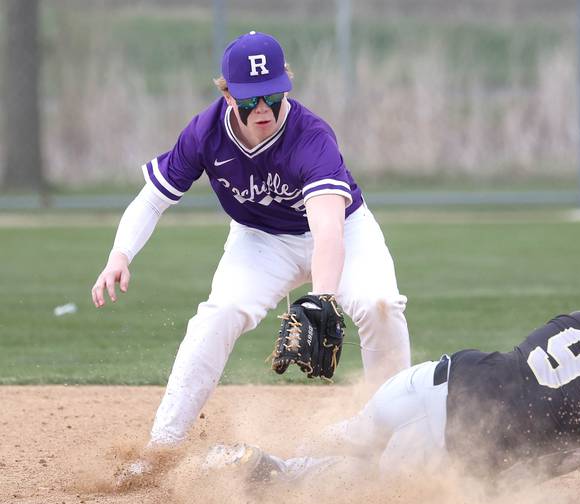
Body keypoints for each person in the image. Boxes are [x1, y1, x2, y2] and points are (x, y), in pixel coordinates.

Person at [91, 32, 411, 456]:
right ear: (227, 96)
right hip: (260, 239)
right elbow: (153, 199)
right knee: (219, 314)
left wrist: (322, 298)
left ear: (285, 89)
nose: (261, 108)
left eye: (271, 95)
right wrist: (120, 255)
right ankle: (163, 446)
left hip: (344, 231)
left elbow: (329, 229)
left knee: (379, 304)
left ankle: (392, 436)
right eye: (248, 99)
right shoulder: (206, 133)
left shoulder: (311, 136)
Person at [209, 288, 580, 504]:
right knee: (348, 486)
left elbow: (573, 398)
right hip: (454, 446)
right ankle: (274, 470)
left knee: (358, 434)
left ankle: (224, 456)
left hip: (432, 379)